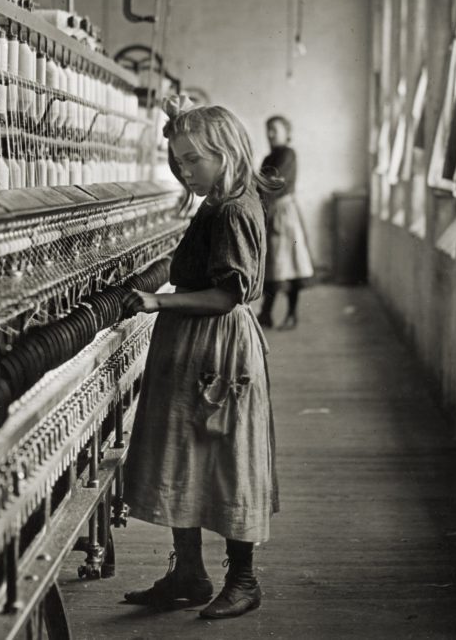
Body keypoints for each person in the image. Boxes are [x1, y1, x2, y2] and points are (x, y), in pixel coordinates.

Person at [120, 97, 279, 619]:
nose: (183, 170)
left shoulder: (232, 209)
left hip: (217, 345)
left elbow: (227, 295)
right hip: (193, 344)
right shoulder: (217, 202)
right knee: (182, 453)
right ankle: (188, 574)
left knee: (226, 458)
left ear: (226, 152)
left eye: (193, 160)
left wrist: (155, 300)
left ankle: (244, 580)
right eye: (177, 160)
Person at [258, 115, 314, 330]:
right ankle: (266, 313)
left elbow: (274, 183)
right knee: (272, 264)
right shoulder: (267, 158)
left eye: (275, 129)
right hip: (271, 213)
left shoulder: (288, 154)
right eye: (268, 129)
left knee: (290, 265)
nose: (270, 134)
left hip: (284, 213)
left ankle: (291, 314)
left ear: (287, 133)